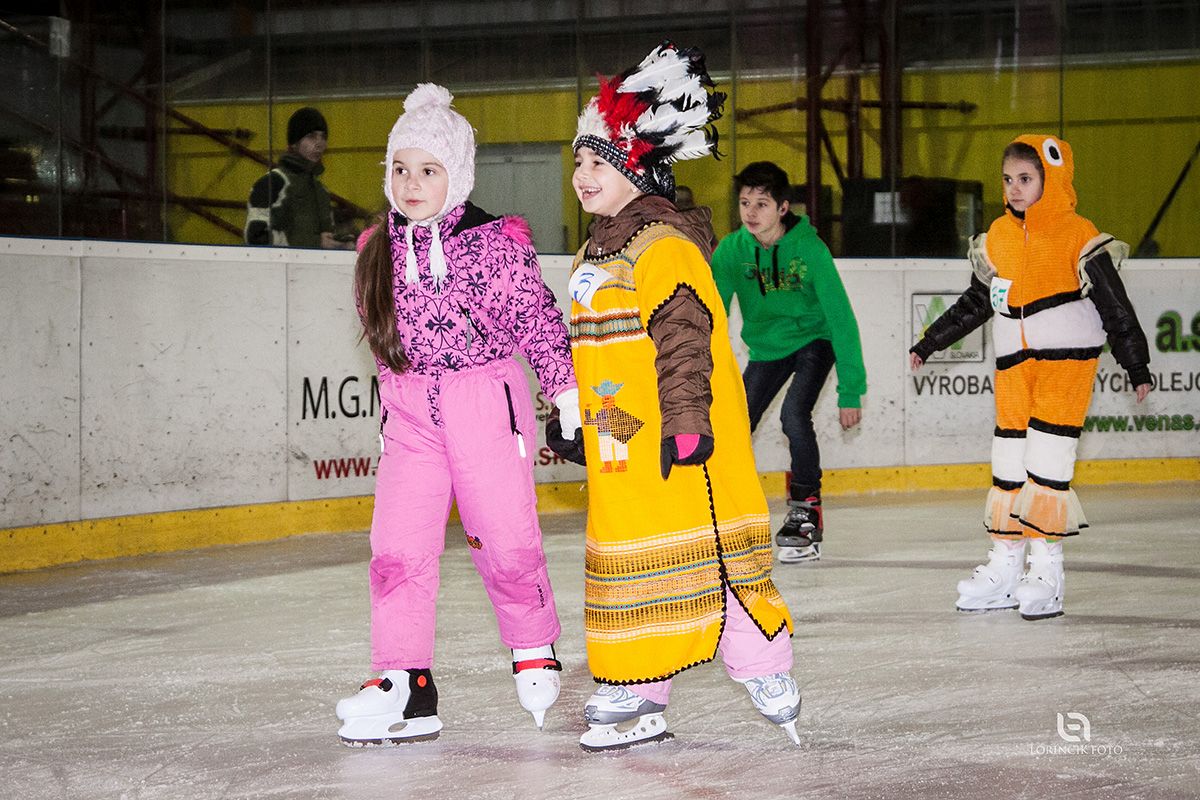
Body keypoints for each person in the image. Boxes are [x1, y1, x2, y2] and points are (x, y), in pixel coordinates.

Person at [547, 42, 800, 752]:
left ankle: (764, 664)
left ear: (635, 168)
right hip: (622, 441)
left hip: (679, 437)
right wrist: (572, 417)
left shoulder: (663, 246)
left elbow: (685, 334)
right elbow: (588, 351)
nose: (582, 175)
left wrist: (687, 421)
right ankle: (637, 686)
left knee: (710, 555)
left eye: (599, 162)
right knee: (632, 560)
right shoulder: (591, 254)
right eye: (578, 161)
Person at [335, 84, 580, 745]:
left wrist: (564, 390)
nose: (411, 184)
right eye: (400, 169)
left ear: (459, 176)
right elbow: (382, 339)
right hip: (410, 414)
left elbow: (536, 318)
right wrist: (393, 414)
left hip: (484, 404)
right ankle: (404, 682)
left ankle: (532, 644)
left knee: (505, 539)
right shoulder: (376, 249)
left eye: (428, 170)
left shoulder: (492, 243)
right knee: (395, 549)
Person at [910, 134, 1151, 620]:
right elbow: (977, 302)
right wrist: (930, 341)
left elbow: (1115, 306)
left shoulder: (1078, 235)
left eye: (1026, 178)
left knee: (1047, 460)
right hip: (1014, 367)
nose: (1015, 188)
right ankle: (1005, 565)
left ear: (1051, 179)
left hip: (1066, 364)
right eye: (1008, 179)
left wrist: (1135, 364)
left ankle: (1046, 570)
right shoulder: (998, 236)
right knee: (1009, 460)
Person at [710, 162, 866, 564]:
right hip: (767, 348)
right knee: (736, 421)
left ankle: (805, 511)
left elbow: (841, 318)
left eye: (761, 204)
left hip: (815, 339)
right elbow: (713, 314)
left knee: (794, 414)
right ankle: (723, 507)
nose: (750, 212)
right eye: (745, 202)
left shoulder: (809, 249)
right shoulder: (731, 251)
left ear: (782, 208)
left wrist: (850, 391)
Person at [245, 106, 352, 249]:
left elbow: (324, 239)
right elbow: (255, 237)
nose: (319, 144)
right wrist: (315, 243)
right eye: (311, 136)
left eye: (323, 137)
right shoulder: (272, 183)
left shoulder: (321, 191)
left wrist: (341, 242)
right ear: (294, 143)